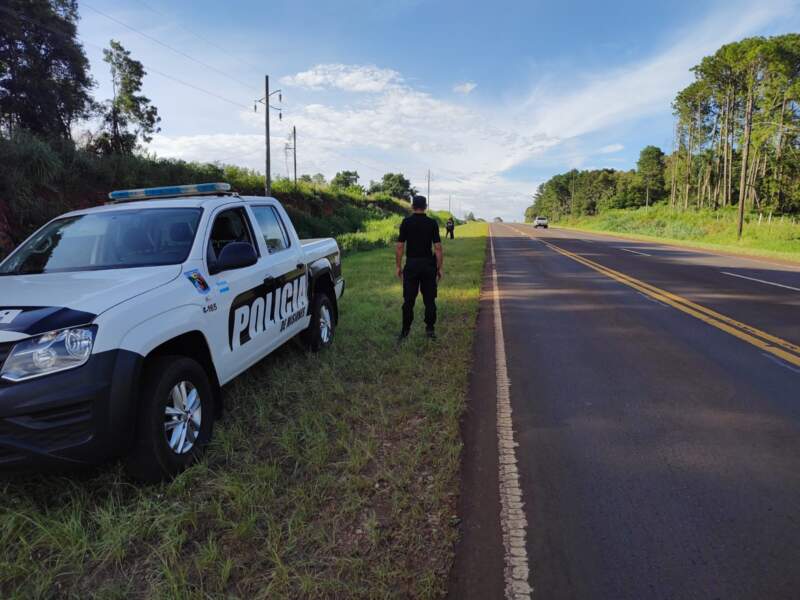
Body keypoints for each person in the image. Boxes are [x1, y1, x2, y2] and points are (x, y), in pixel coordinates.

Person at [396, 195, 443, 340]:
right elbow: (438, 248)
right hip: (428, 265)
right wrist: (439, 267)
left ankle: (405, 331)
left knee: (408, 300)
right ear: (425, 207)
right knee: (429, 300)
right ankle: (430, 330)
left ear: (412, 206)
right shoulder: (432, 223)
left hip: (411, 264)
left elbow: (399, 247)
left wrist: (398, 266)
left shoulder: (406, 222)